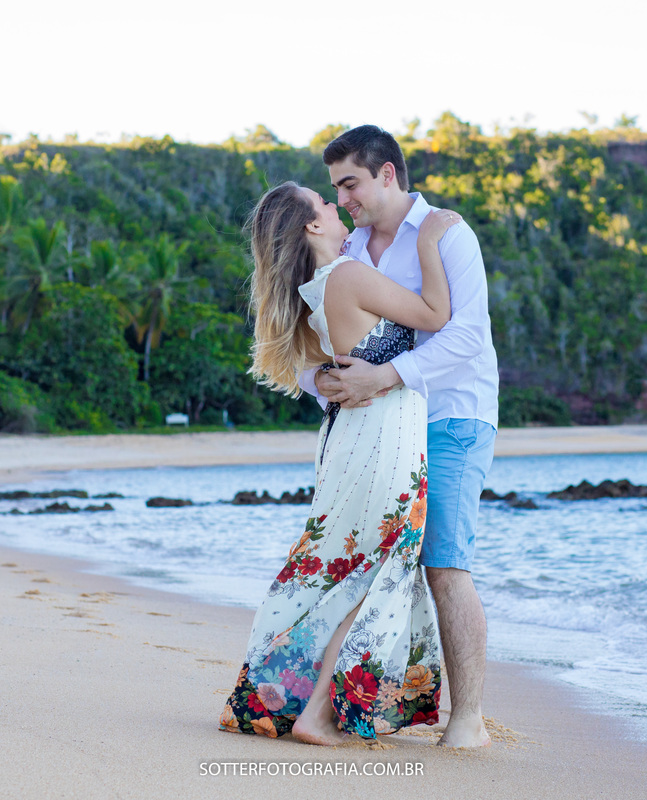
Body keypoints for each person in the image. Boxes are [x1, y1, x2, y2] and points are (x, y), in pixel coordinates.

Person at [219, 180, 462, 745]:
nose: (334, 205)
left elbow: (319, 372)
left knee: (338, 569)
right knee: (373, 571)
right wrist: (429, 240)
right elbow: (436, 314)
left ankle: (284, 699)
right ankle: (317, 713)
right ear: (312, 225)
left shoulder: (314, 288)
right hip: (383, 435)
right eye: (324, 203)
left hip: (353, 436)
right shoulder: (347, 276)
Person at [306, 125, 500, 749]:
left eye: (350, 184)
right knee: (366, 561)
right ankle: (344, 707)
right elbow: (324, 342)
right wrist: (324, 382)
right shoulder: (348, 248)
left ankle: (467, 721)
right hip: (380, 427)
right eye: (336, 188)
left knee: (444, 563)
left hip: (450, 417)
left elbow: (466, 334)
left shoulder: (448, 233)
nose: (343, 199)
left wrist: (385, 376)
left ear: (387, 173)